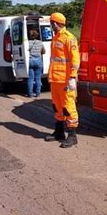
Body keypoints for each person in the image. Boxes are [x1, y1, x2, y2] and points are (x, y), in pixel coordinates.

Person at [45, 12, 80, 148]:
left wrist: (72, 77)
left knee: (68, 107)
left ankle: (72, 136)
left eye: (51, 23)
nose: (50, 25)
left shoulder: (68, 38)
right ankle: (59, 132)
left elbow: (75, 59)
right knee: (57, 106)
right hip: (55, 79)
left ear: (55, 23)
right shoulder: (56, 38)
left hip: (66, 80)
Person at [27, 28, 45, 97]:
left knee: (30, 78)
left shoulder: (28, 43)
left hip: (30, 61)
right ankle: (38, 93)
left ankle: (30, 93)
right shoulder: (40, 42)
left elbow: (26, 51)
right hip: (38, 61)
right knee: (38, 78)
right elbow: (43, 51)